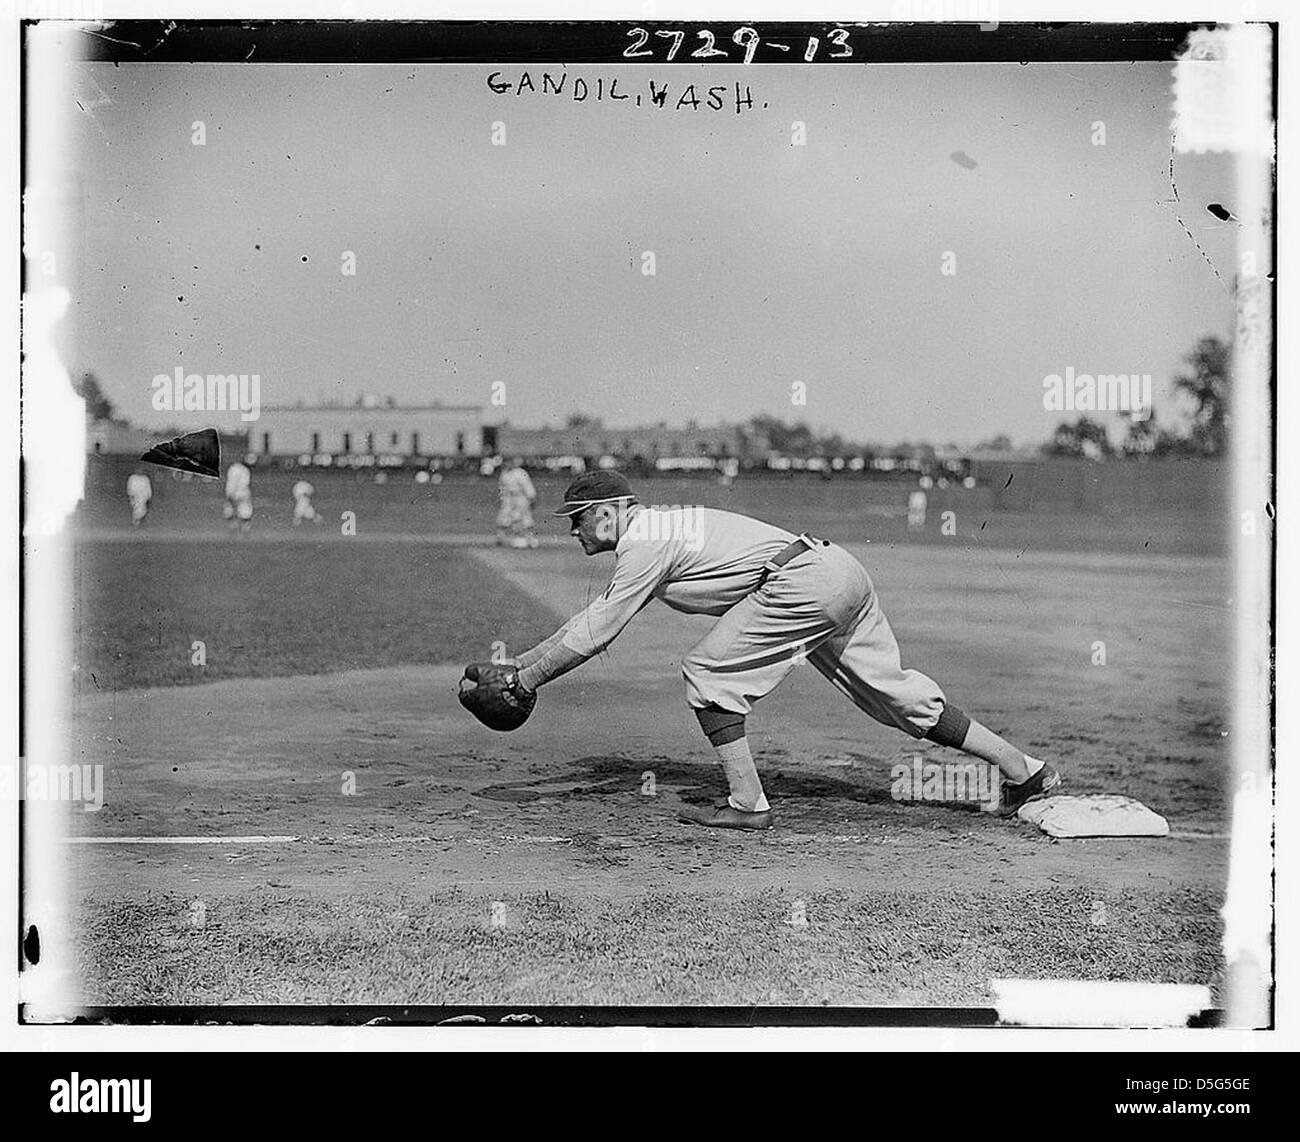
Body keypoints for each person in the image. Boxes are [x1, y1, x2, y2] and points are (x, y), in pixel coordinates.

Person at [502, 470, 1059, 830]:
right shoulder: (656, 533)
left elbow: (598, 632)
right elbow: (591, 620)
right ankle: (1024, 771)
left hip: (801, 584)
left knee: (706, 673)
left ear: (607, 511)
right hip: (834, 570)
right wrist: (517, 666)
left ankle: (747, 803)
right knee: (896, 696)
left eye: (577, 519)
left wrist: (523, 684)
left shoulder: (645, 541)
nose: (572, 530)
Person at [496, 456, 538, 548]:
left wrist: (532, 498)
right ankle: (502, 538)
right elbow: (501, 488)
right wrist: (502, 499)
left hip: (521, 498)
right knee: (504, 518)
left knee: (524, 519)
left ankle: (529, 539)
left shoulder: (520, 473)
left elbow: (528, 487)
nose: (507, 464)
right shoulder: (504, 473)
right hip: (508, 499)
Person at [223, 460, 253, 535]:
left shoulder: (234, 468)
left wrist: (230, 493)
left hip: (233, 491)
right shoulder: (245, 470)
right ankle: (243, 530)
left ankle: (234, 530)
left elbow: (231, 483)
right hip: (241, 492)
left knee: (230, 510)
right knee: (244, 511)